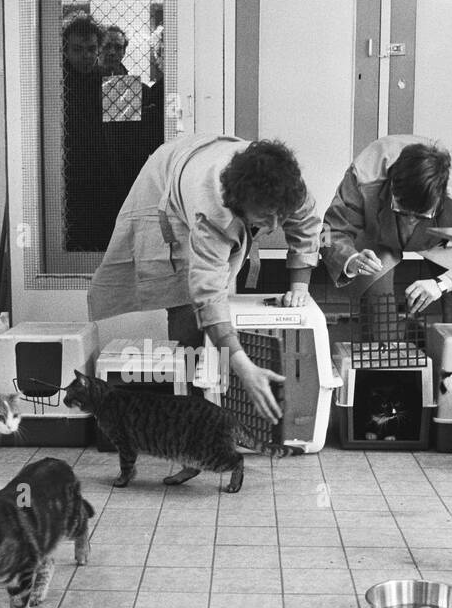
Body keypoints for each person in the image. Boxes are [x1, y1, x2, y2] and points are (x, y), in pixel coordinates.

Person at [88, 134, 322, 423]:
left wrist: (299, 286)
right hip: (167, 178)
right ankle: (192, 411)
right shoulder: (212, 208)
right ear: (239, 205)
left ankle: (223, 389)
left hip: (212, 160)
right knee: (187, 299)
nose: (275, 227)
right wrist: (241, 364)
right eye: (265, 217)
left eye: (281, 216)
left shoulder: (288, 188)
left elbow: (307, 224)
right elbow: (207, 289)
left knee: (221, 309)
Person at [321, 135, 452, 320]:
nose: (410, 222)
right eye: (402, 211)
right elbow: (330, 232)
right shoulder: (364, 177)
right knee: (378, 306)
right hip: (379, 235)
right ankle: (383, 344)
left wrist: (442, 284)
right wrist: (352, 259)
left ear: (440, 196)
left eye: (420, 215)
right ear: (392, 185)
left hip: (443, 240)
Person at [61, 15, 112, 251]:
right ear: (65, 51)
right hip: (67, 167)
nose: (86, 56)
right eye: (78, 49)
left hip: (101, 167)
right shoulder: (57, 83)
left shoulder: (106, 81)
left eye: (92, 49)